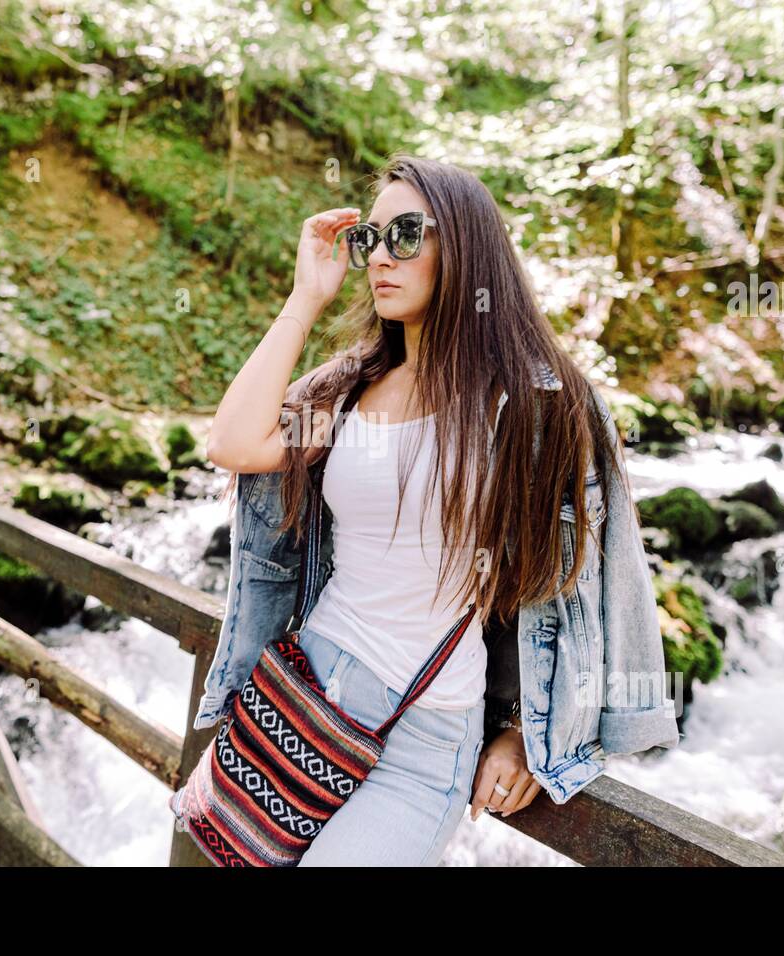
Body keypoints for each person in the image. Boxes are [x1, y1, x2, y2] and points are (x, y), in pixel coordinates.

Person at [204, 152, 636, 865]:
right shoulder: (348, 390)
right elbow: (234, 440)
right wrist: (305, 298)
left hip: (426, 731)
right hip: (304, 695)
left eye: (406, 234)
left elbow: (580, 590)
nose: (380, 257)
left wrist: (530, 730)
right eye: (368, 238)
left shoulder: (534, 405)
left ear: (464, 246)